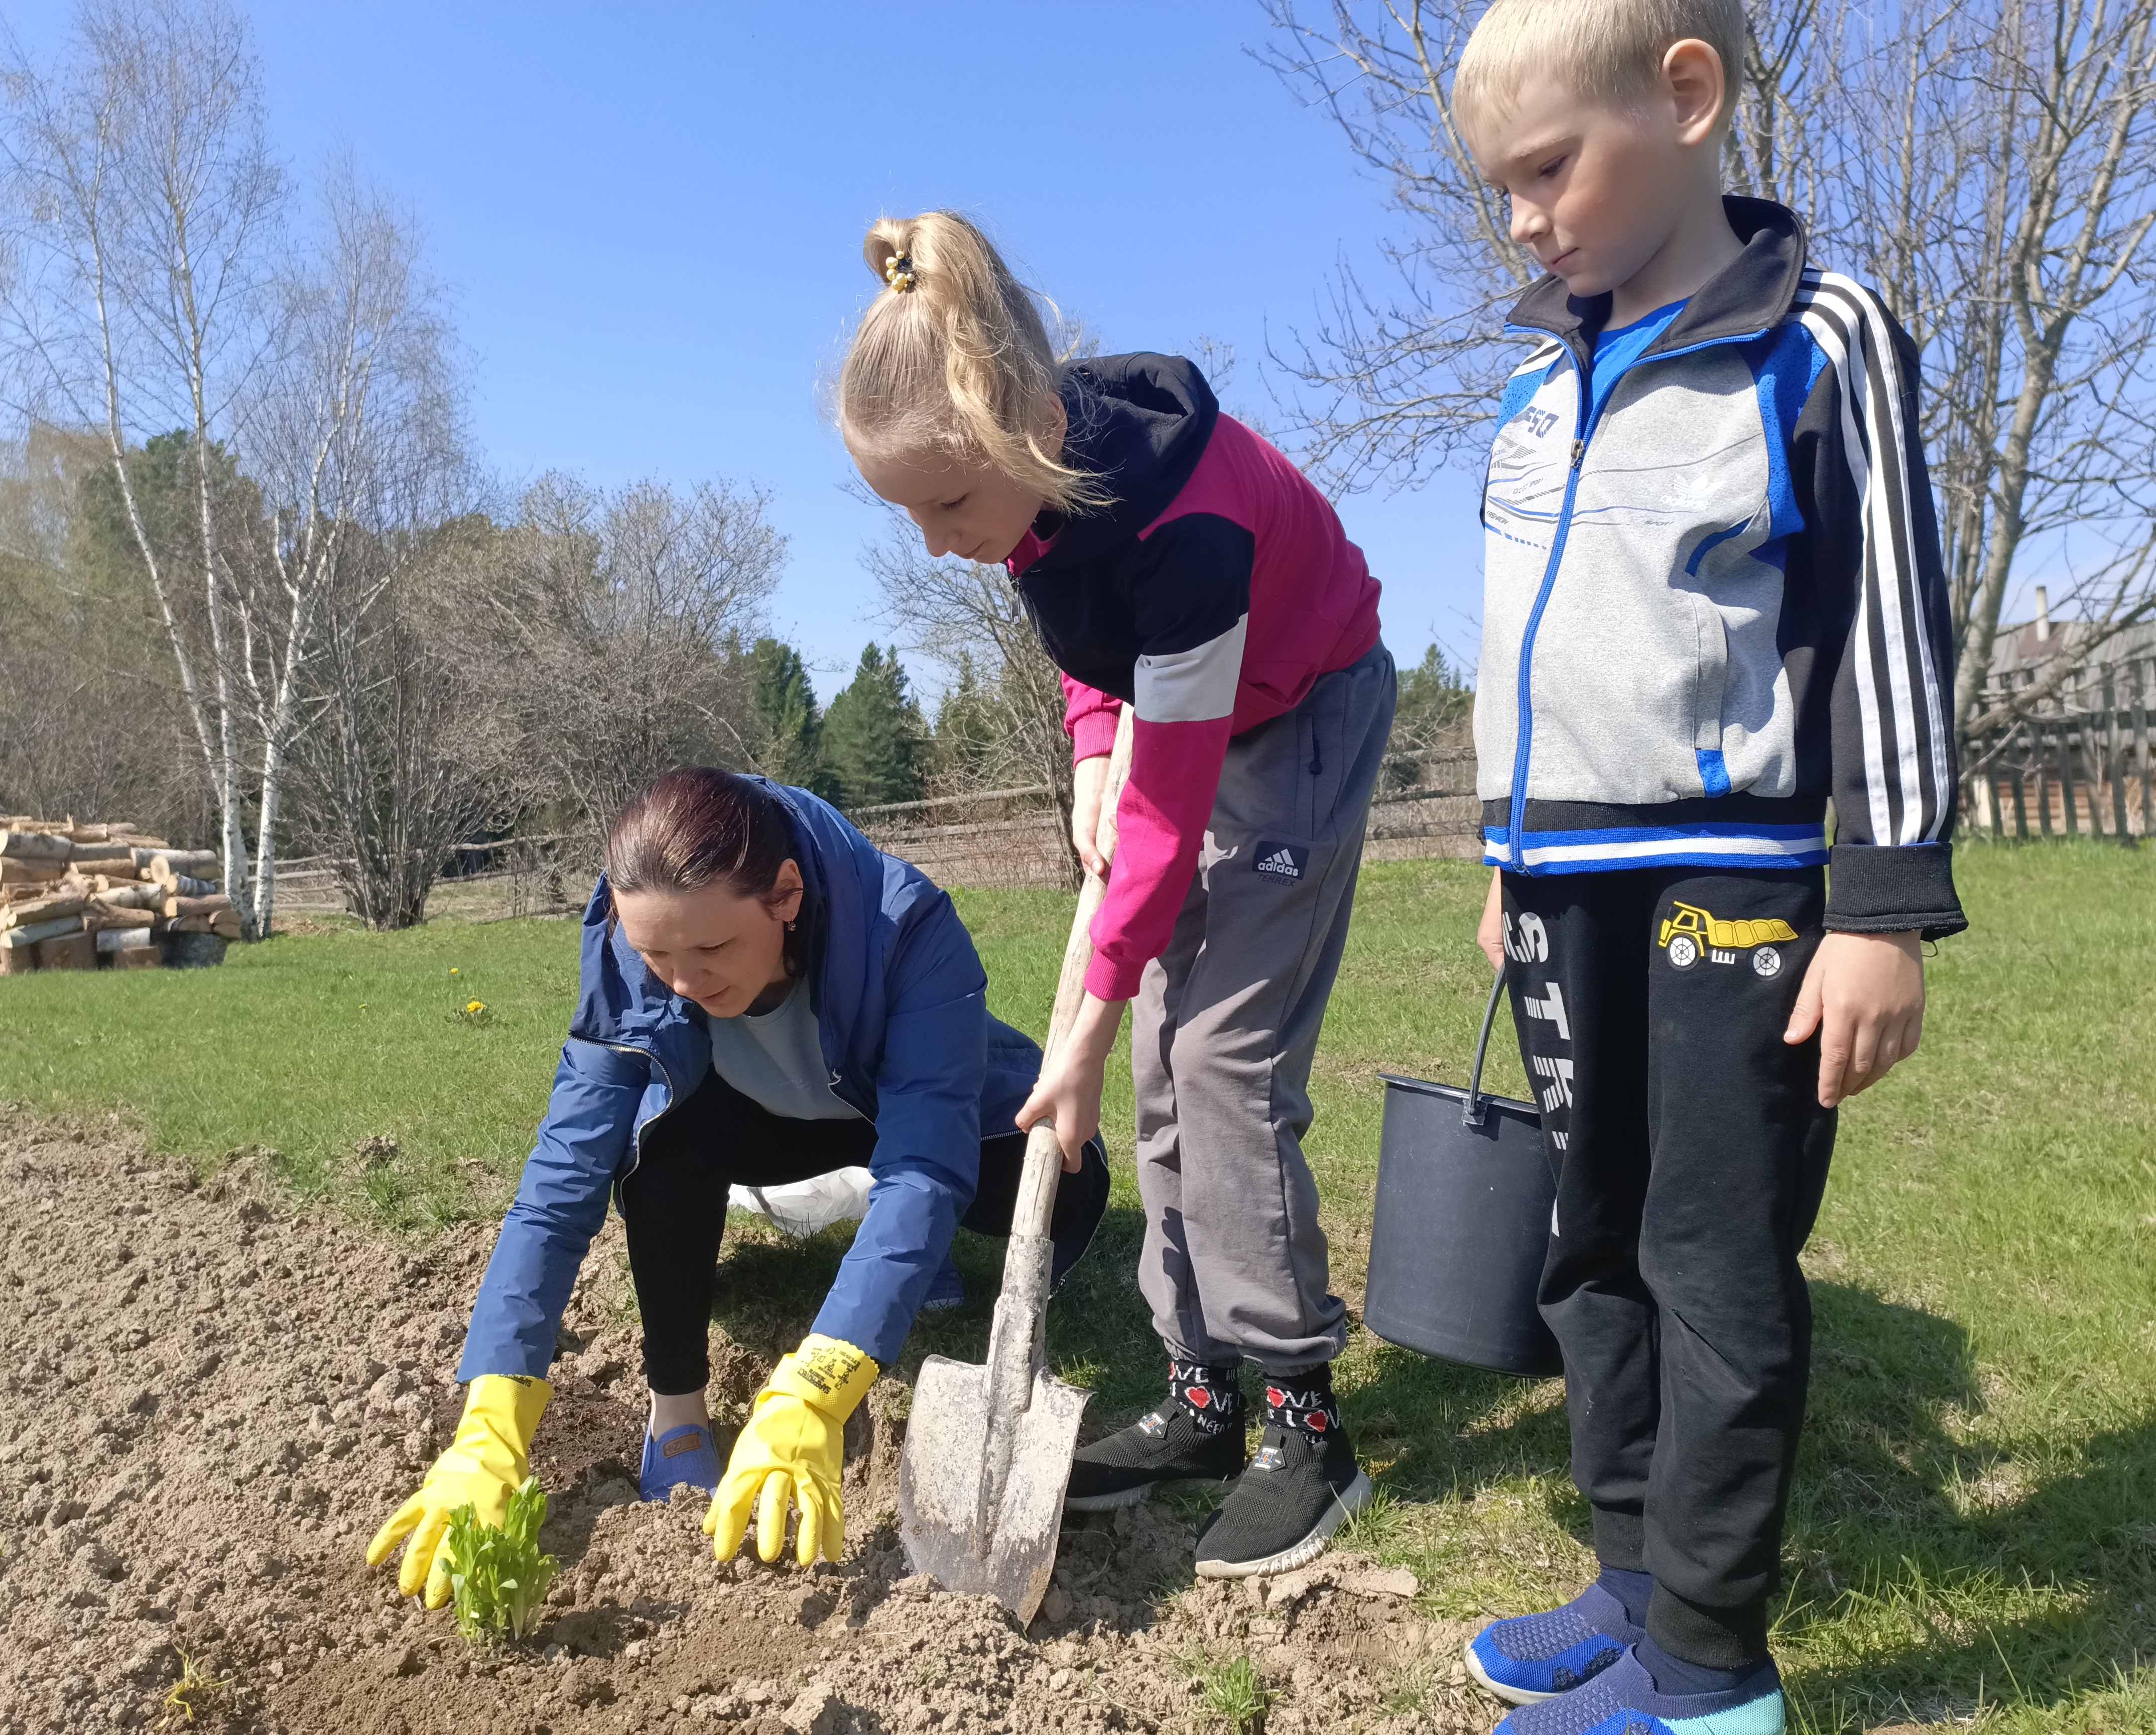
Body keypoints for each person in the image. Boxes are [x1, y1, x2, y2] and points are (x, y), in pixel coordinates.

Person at [1447, 3, 1967, 1731]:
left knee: (1709, 1259)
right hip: (1557, 884)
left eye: (1543, 168)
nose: (1519, 218)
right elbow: (1520, 642)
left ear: (1683, 98)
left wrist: (1881, 904)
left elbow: (1886, 621)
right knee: (1583, 1242)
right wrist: (1500, 855)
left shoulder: (1814, 337)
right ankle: (1628, 1577)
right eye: (1495, 190)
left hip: (1730, 879)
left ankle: (1709, 1672)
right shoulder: (1535, 381)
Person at [842, 212, 1394, 1579]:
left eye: (945, 507)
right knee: (1160, 1056)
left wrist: (1073, 1034)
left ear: (1029, 428)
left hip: (1302, 713)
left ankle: (1302, 1421)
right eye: (904, 514)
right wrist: (1094, 742)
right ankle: (1199, 1386)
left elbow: (1174, 803)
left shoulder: (1192, 526)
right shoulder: (1038, 477)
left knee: (1219, 1059)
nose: (932, 544)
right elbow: (1094, 626)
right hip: (1200, 716)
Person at [366, 768, 1109, 1600]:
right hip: (760, 1122)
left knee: (1055, 1189)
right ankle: (677, 1414)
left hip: (916, 1116)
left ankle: (886, 1241)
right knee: (657, 1132)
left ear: (786, 895)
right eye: (656, 956)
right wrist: (490, 1420)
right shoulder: (627, 952)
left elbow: (929, 1164)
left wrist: (819, 1388)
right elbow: (559, 1185)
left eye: (713, 949)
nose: (684, 982)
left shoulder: (909, 926)